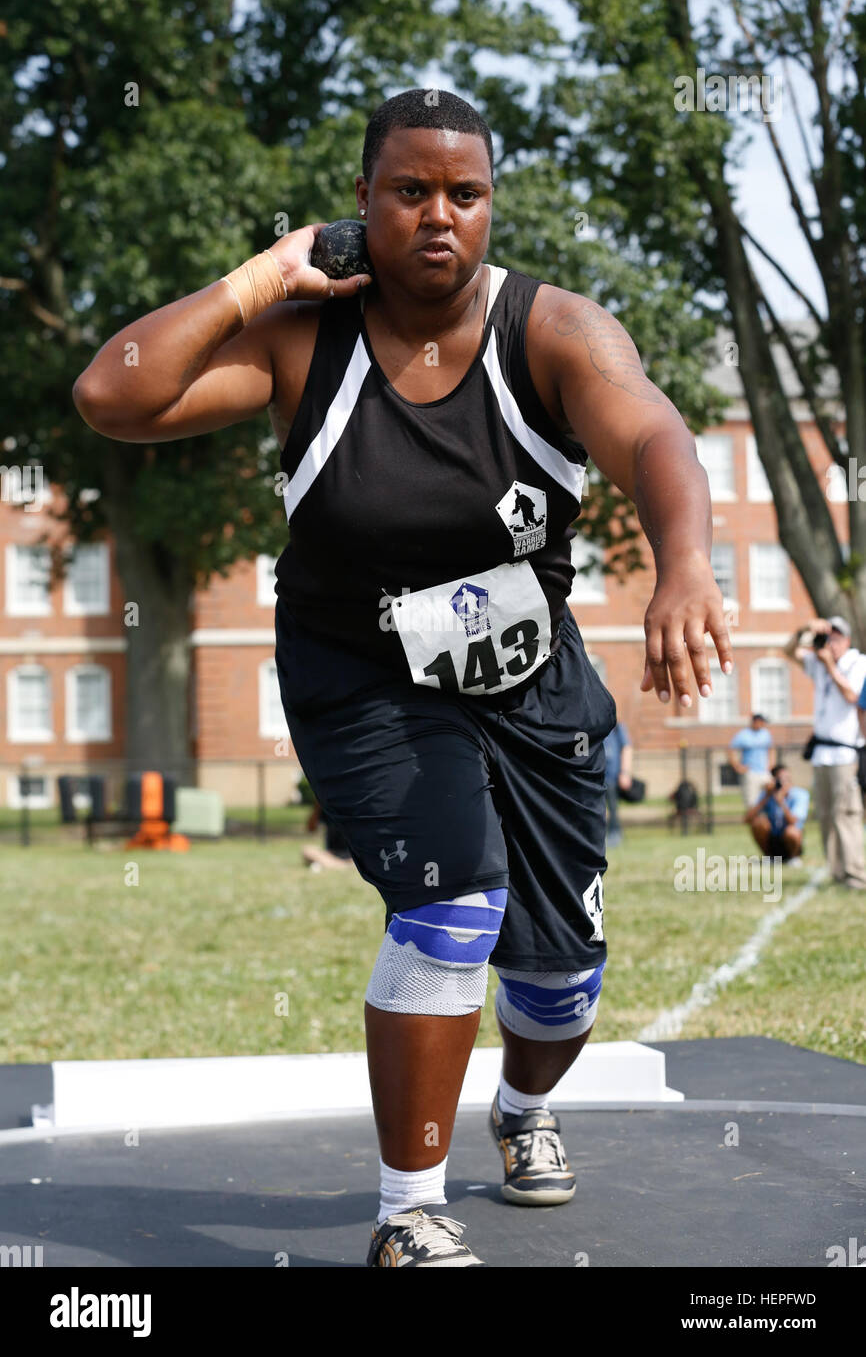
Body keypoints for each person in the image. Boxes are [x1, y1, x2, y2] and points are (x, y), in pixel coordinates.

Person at [72, 88, 732, 1268]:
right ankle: (407, 1212)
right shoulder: (300, 334)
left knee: (556, 981)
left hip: (530, 683)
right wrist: (257, 277)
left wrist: (683, 563)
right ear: (361, 201)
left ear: (490, 207)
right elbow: (114, 394)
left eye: (463, 194)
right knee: (448, 903)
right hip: (361, 674)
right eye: (408, 191)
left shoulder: (554, 331)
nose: (438, 216)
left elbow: (652, 436)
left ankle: (523, 1109)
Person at [784, 615, 866, 889]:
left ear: (847, 640)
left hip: (845, 755)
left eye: (836, 638)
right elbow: (788, 651)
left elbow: (853, 696)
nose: (830, 644)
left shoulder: (858, 662)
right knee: (827, 816)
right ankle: (837, 872)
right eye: (827, 637)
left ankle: (855, 874)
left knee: (847, 815)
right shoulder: (817, 661)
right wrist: (804, 630)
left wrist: (830, 665)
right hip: (821, 754)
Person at [744, 763, 809, 864]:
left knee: (792, 831)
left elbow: (793, 821)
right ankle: (770, 858)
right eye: (780, 779)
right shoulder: (768, 794)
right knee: (758, 823)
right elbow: (747, 819)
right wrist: (766, 797)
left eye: (787, 778)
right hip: (774, 839)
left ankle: (793, 858)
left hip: (790, 839)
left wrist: (781, 802)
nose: (785, 782)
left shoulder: (800, 794)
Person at [728, 713, 774, 807]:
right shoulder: (743, 734)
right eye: (760, 722)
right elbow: (731, 750)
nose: (762, 725)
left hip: (764, 771)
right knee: (752, 803)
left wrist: (771, 763)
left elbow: (771, 748)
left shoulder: (765, 733)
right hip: (751, 772)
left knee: (771, 795)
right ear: (755, 722)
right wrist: (737, 766)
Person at [602, 720, 634, 847]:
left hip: (612, 776)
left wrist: (625, 772)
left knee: (613, 808)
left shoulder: (616, 727)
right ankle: (599, 836)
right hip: (594, 776)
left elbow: (627, 748)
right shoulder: (590, 724)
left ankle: (614, 835)